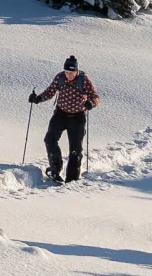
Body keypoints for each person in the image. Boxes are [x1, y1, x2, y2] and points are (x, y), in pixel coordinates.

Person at [29, 55, 100, 183]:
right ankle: (55, 170)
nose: (69, 75)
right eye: (67, 72)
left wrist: (91, 103)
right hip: (60, 114)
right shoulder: (60, 77)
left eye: (71, 73)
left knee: (75, 150)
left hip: (77, 117)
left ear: (76, 71)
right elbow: (50, 92)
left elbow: (95, 97)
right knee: (50, 139)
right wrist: (37, 99)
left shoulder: (83, 79)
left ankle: (71, 179)